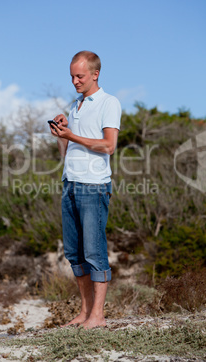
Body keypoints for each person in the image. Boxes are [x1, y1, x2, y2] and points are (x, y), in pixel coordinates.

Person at [49, 50, 121, 329]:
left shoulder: (108, 102)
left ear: (95, 74)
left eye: (79, 76)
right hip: (70, 183)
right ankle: (84, 313)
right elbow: (67, 152)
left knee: (94, 251)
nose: (75, 81)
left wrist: (72, 135)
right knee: (75, 254)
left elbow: (108, 146)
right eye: (72, 76)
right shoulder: (75, 105)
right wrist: (61, 134)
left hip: (94, 186)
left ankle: (98, 317)